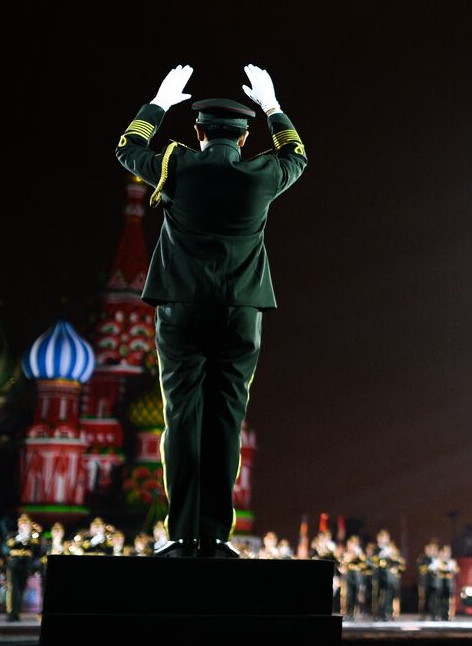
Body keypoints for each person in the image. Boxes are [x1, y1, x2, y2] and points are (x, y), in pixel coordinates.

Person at [114, 64, 307, 559]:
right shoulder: (261, 175)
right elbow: (297, 156)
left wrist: (158, 101)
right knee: (227, 421)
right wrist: (273, 106)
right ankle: (217, 537)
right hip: (242, 312)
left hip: (181, 311)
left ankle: (181, 536)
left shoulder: (177, 168)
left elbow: (126, 150)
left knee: (181, 419)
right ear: (243, 140)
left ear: (197, 132)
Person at [1, 516, 40, 622]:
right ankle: (11, 613)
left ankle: (17, 612)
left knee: (21, 588)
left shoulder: (33, 536)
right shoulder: (13, 535)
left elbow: (36, 549)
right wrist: (21, 536)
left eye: (26, 523)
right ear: (19, 524)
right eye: (23, 523)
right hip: (14, 563)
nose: (25, 525)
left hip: (26, 563)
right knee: (13, 588)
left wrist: (30, 536)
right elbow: (9, 544)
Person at [369, 530, 404, 621]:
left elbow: (397, 561)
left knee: (388, 595)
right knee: (377, 595)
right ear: (379, 538)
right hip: (378, 575)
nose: (386, 540)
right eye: (384, 537)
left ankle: (386, 613)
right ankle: (377, 614)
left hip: (387, 576)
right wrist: (382, 555)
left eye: (387, 538)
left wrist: (394, 562)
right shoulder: (376, 549)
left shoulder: (390, 549)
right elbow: (372, 560)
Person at [341, 536, 369, 620]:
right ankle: (349, 613)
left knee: (357, 595)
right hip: (348, 574)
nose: (349, 546)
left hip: (357, 575)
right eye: (348, 544)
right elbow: (342, 564)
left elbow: (364, 563)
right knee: (349, 595)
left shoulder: (359, 553)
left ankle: (357, 612)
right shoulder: (346, 553)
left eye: (351, 544)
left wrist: (357, 554)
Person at [434, 545, 458, 621]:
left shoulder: (452, 562)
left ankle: (448, 615)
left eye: (448, 552)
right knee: (438, 601)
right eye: (445, 552)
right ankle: (437, 615)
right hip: (439, 585)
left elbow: (455, 570)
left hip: (448, 584)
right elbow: (433, 569)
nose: (447, 554)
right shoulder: (437, 561)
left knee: (448, 601)